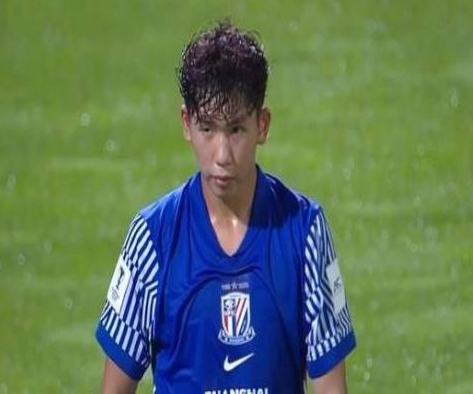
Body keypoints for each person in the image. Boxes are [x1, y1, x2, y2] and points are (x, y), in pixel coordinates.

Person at [95, 21, 356, 394]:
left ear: (262, 125)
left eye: (236, 130)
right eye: (207, 129)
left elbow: (332, 388)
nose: (222, 155)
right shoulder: (152, 238)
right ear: (186, 123)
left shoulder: (305, 231)